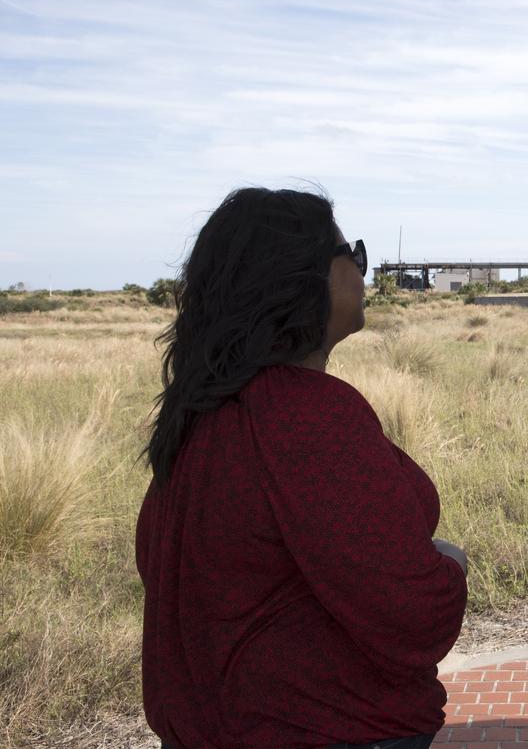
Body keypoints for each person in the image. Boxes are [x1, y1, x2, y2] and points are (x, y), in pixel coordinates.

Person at [136, 188, 467, 749]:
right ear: (302, 277)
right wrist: (450, 568)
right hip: (325, 726)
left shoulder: (207, 409)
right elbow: (410, 612)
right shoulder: (304, 417)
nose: (362, 269)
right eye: (352, 254)